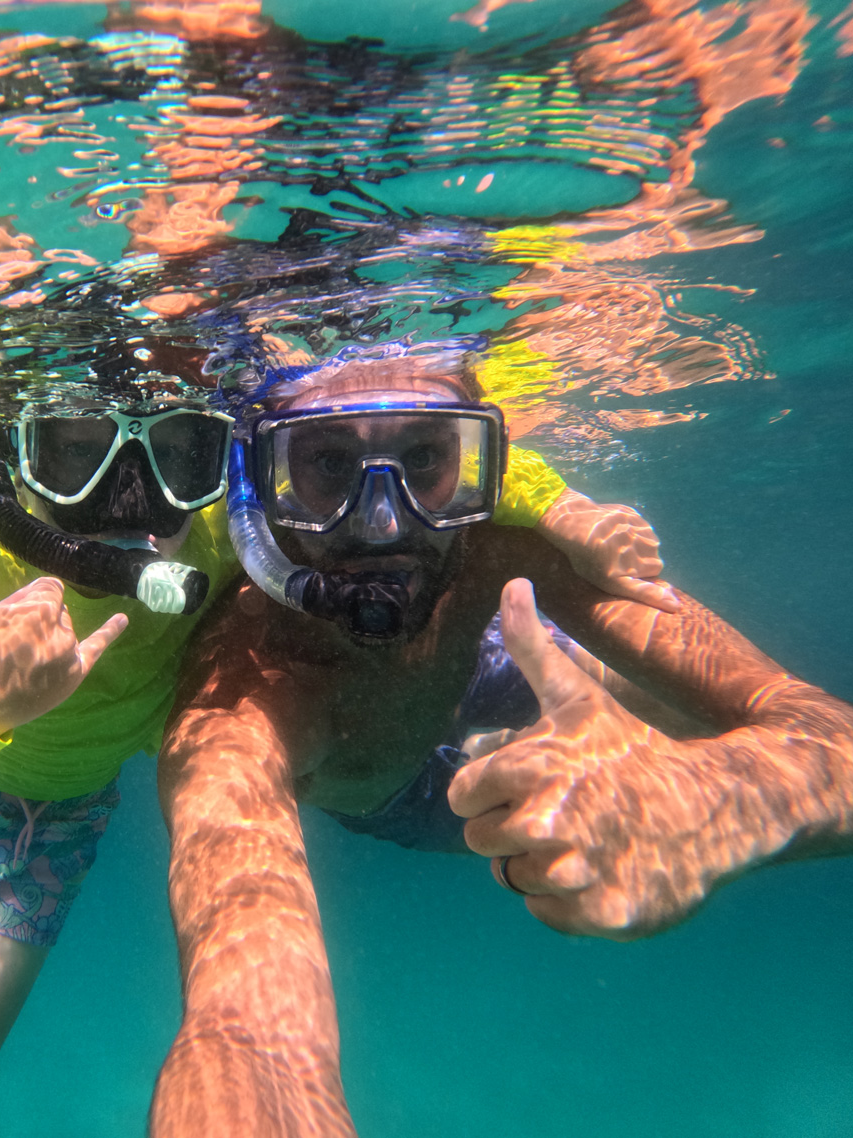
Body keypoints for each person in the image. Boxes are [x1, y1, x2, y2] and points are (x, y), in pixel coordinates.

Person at [0, 373, 671, 1136]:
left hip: (71, 815)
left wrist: (574, 515)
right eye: (75, 448)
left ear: (210, 458)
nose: (126, 500)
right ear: (14, 465)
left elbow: (438, 449)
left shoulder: (225, 533)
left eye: (173, 454)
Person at [148, 347, 853, 1138]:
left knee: (662, 710)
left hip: (488, 661)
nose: (385, 521)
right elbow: (248, 1037)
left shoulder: (494, 551)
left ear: (475, 461)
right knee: (496, 804)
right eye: (328, 463)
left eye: (423, 458)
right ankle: (498, 753)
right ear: (259, 488)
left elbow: (826, 730)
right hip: (401, 793)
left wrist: (713, 797)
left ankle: (552, 741)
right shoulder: (239, 695)